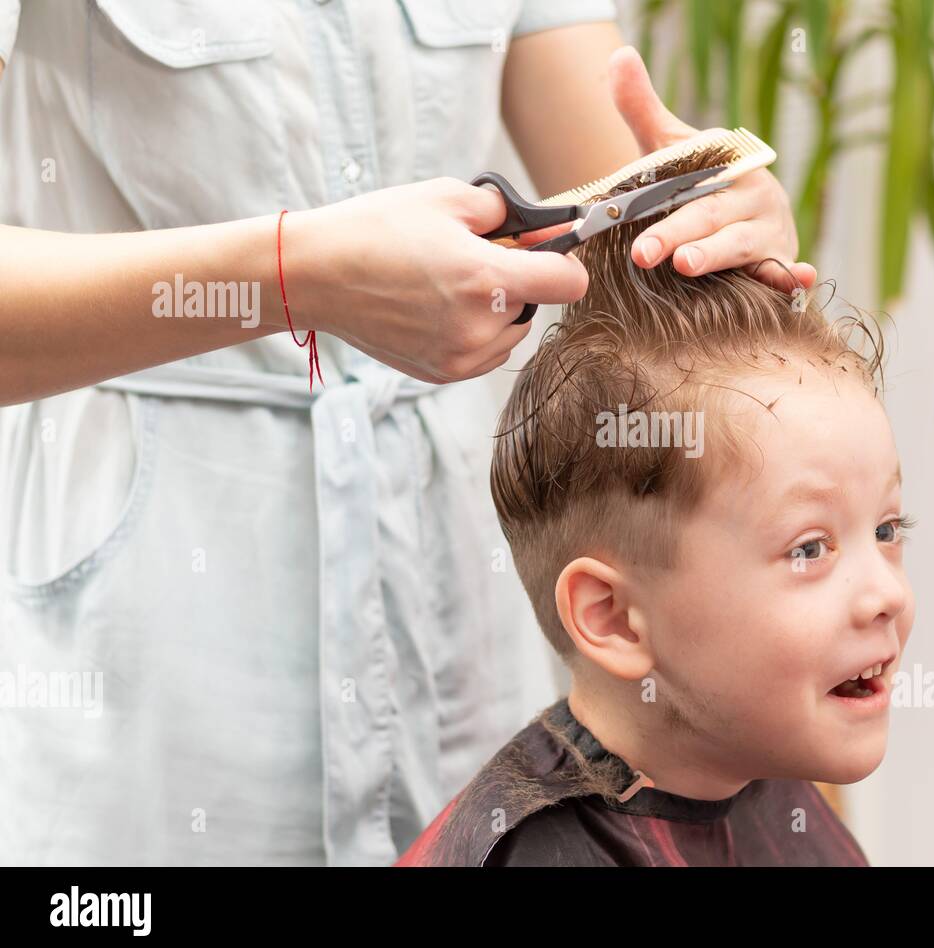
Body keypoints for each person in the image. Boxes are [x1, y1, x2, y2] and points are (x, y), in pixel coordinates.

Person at [0, 3, 814, 865]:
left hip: (459, 589)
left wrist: (718, 218)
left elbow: (623, 207)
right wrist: (290, 275)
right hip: (156, 624)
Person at [396, 145, 915, 867]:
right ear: (612, 616)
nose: (886, 593)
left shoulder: (776, 794)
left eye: (887, 530)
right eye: (809, 548)